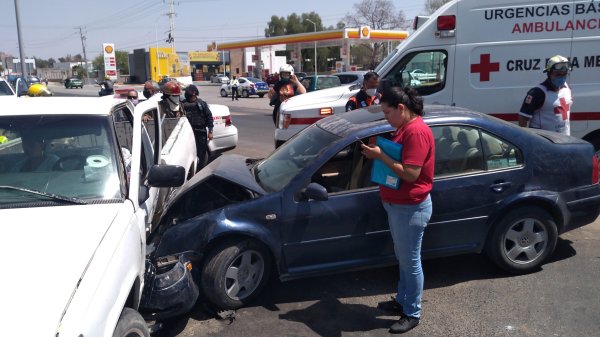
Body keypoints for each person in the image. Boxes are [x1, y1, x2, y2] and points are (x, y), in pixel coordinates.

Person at [360, 87, 434, 334]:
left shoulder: (417, 132)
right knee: (403, 256)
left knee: (411, 261)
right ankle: (402, 300)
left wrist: (381, 156)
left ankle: (412, 312)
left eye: (387, 112)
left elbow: (411, 174)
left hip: (410, 208)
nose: (385, 118)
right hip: (398, 205)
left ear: (401, 108)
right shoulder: (405, 127)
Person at [518, 55, 573, 135]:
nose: (562, 77)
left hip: (565, 140)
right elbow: (523, 118)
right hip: (544, 142)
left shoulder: (567, 88)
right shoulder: (537, 92)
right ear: (549, 73)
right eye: (558, 74)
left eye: (564, 74)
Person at [182, 85, 214, 170]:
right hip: (188, 133)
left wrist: (210, 131)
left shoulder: (201, 104)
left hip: (200, 132)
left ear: (194, 93)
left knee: (201, 154)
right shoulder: (183, 104)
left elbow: (209, 117)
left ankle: (200, 171)